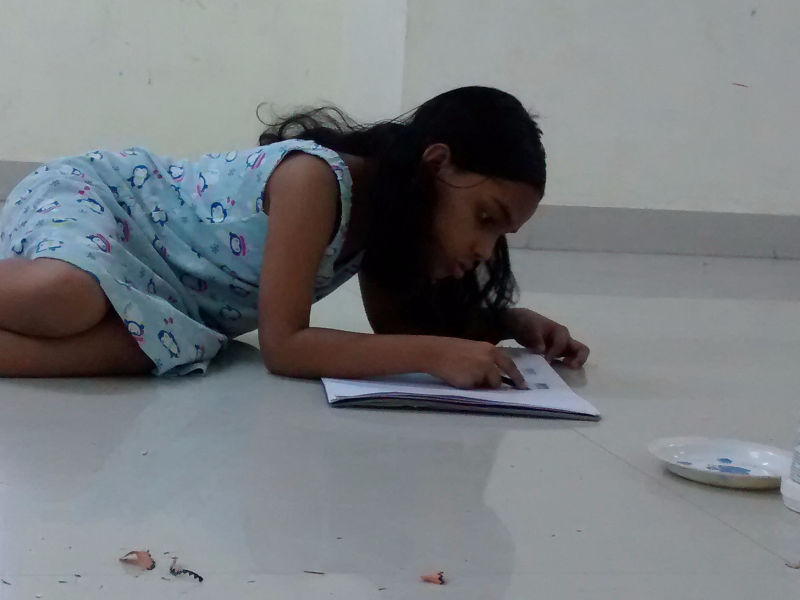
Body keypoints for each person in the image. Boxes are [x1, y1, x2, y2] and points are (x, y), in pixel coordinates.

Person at [0, 86, 589, 385]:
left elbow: (396, 333)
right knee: (69, 299)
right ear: (436, 164)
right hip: (108, 200)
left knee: (137, 352)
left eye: (502, 235)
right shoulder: (316, 180)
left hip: (169, 303)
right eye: (485, 218)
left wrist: (504, 323)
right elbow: (284, 347)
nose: (485, 251)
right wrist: (435, 355)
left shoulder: (391, 223)